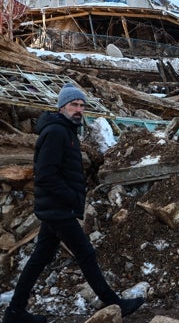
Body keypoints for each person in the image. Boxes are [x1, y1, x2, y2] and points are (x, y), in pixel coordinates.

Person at [2, 84, 144, 323]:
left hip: (56, 207)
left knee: (40, 258)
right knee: (85, 253)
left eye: (81, 105)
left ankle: (14, 311)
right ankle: (114, 302)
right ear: (61, 107)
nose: (78, 109)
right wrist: (72, 197)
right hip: (59, 208)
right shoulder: (57, 132)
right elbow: (46, 174)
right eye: (73, 105)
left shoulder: (66, 130)